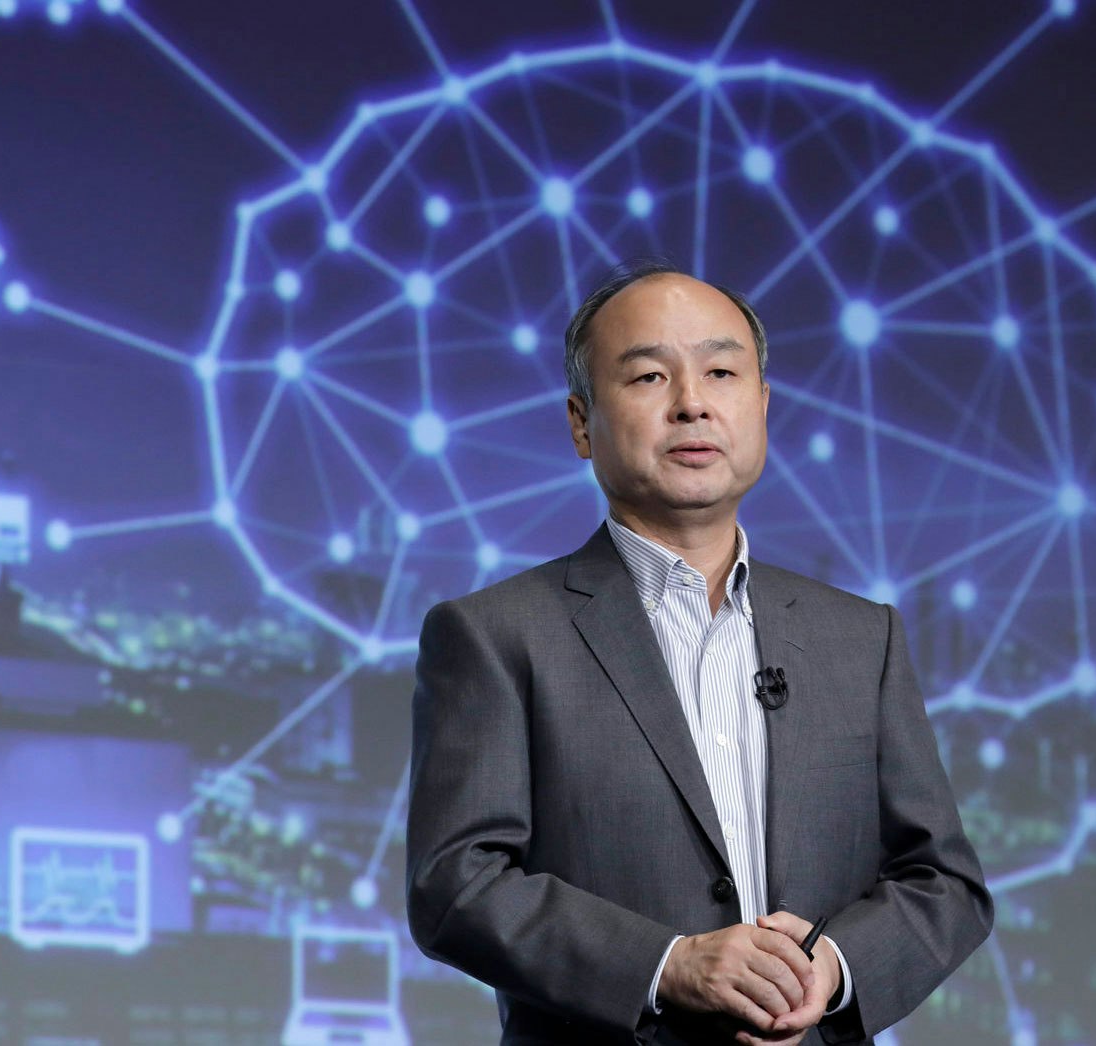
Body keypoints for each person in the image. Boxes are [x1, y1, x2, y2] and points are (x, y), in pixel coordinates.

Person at [406, 260, 992, 1045]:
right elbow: (455, 885)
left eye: (721, 371)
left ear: (761, 406)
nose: (692, 403)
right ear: (582, 423)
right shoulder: (495, 634)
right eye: (649, 376)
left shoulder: (862, 637)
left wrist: (834, 968)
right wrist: (669, 964)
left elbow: (945, 882)